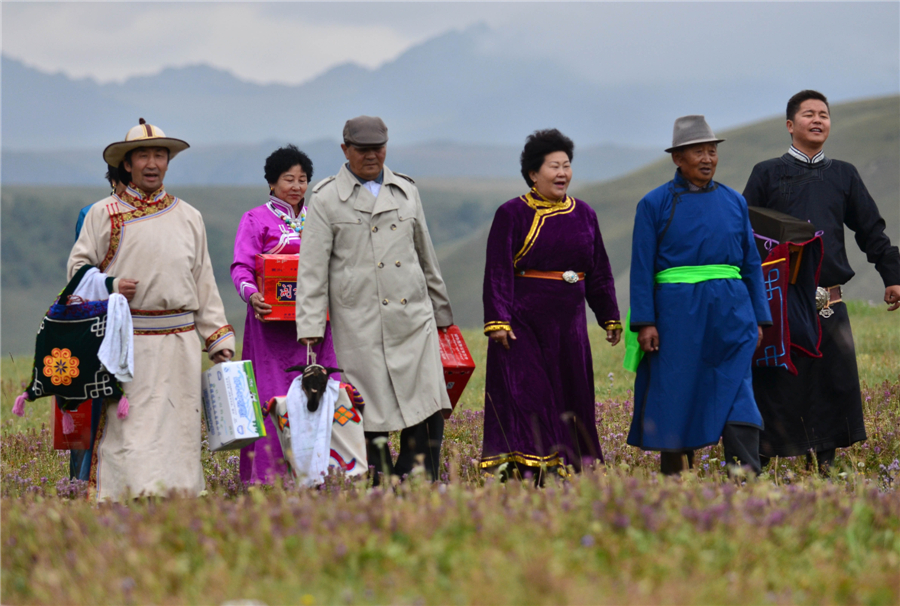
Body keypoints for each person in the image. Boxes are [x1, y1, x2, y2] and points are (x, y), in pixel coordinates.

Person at [68, 118, 235, 500]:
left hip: (180, 343)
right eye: (143, 155)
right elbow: (76, 273)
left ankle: (176, 504)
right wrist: (109, 285)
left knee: (178, 431)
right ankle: (123, 502)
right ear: (127, 164)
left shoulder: (189, 217)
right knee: (130, 432)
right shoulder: (103, 214)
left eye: (159, 155)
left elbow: (203, 282)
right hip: (126, 345)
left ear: (168, 162)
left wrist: (217, 337)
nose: (152, 163)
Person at [743, 90, 900, 473]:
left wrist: (892, 275)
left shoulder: (844, 174)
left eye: (824, 115)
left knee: (833, 384)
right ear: (790, 125)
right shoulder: (767, 173)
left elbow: (870, 230)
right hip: (780, 301)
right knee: (777, 382)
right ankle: (758, 467)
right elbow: (744, 234)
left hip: (829, 301)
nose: (818, 120)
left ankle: (825, 469)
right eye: (809, 114)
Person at [295, 115, 453, 482]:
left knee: (427, 401)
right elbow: (313, 270)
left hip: (413, 318)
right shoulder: (326, 198)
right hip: (360, 323)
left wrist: (441, 312)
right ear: (345, 149)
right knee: (367, 408)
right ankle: (377, 481)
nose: (371, 156)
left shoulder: (406, 190)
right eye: (362, 149)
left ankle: (418, 479)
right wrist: (310, 328)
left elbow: (424, 251)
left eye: (378, 148)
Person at [625, 115, 771, 475]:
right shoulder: (653, 204)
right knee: (677, 392)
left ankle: (745, 476)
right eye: (697, 152)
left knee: (738, 389)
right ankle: (676, 478)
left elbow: (752, 264)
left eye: (711, 151)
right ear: (678, 158)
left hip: (732, 312)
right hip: (677, 316)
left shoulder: (735, 202)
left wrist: (759, 319)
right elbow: (642, 267)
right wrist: (645, 322)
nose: (707, 159)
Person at [480, 129, 621, 481]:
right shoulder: (511, 213)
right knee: (530, 395)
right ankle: (532, 472)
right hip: (523, 322)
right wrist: (498, 320)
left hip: (569, 325)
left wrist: (608, 316)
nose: (562, 173)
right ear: (533, 173)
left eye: (567, 165)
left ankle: (572, 471)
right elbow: (497, 270)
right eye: (553, 166)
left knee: (572, 398)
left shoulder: (584, 214)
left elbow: (599, 269)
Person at [230, 145, 339, 485]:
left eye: (302, 179)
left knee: (322, 393)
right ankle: (269, 478)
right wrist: (253, 296)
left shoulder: (320, 217)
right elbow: (241, 267)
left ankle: (323, 474)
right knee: (272, 398)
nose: (296, 186)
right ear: (272, 182)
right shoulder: (255, 219)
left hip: (316, 324)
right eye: (288, 179)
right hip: (271, 330)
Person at [68, 164, 128, 482]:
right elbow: (83, 273)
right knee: (90, 407)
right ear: (116, 180)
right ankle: (81, 485)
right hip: (97, 320)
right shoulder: (92, 214)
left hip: (139, 325)